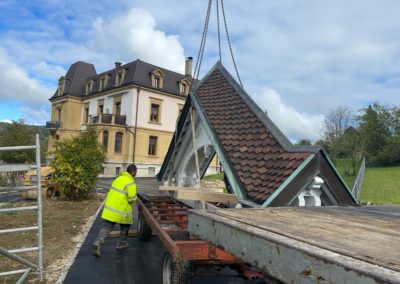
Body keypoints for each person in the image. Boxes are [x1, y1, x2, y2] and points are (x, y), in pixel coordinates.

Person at [92, 164, 138, 257]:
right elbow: (131, 199)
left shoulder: (118, 179)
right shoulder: (130, 183)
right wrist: (136, 197)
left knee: (107, 227)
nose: (136, 173)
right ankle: (121, 243)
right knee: (125, 226)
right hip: (121, 211)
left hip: (110, 209)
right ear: (133, 171)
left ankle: (98, 242)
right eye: (136, 171)